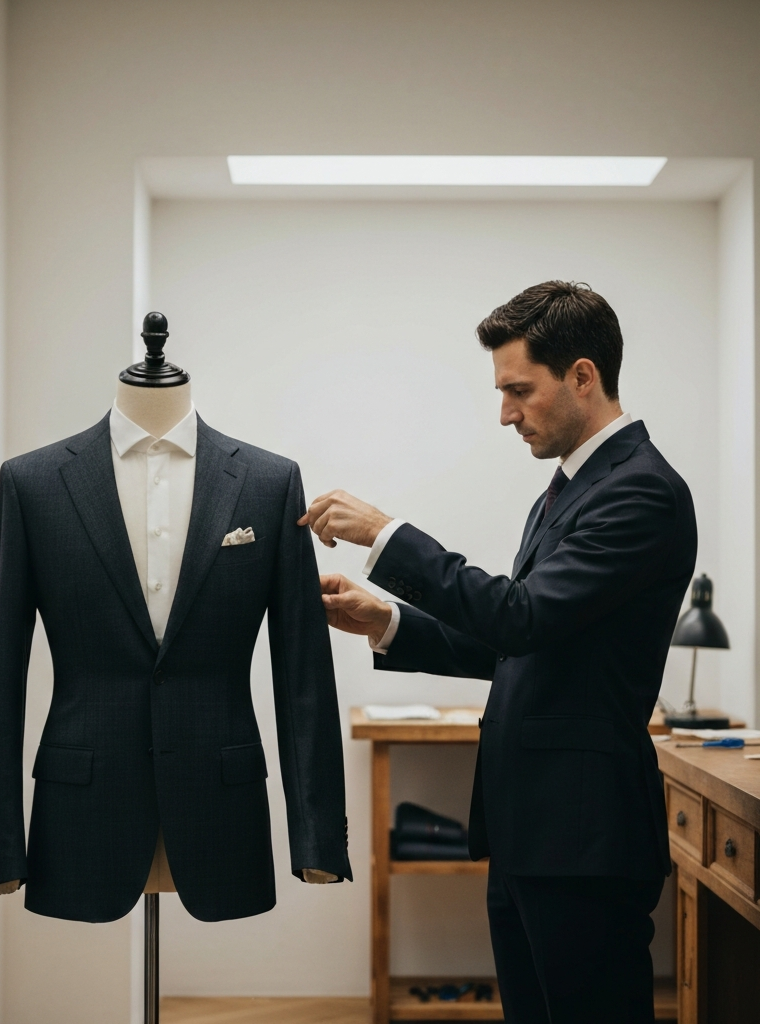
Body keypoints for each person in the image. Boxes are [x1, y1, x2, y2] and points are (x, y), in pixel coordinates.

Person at [298, 281, 697, 1023]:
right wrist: (384, 619)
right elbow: (527, 643)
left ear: (583, 375)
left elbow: (519, 617)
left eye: (520, 390)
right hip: (530, 829)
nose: (506, 413)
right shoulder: (566, 489)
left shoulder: (642, 492)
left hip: (582, 836)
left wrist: (386, 535)